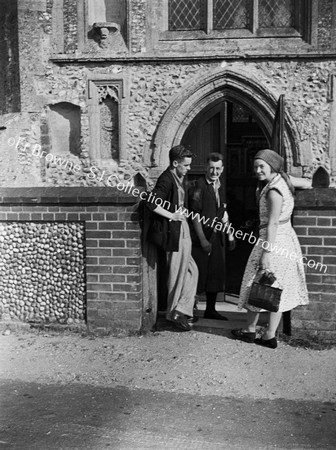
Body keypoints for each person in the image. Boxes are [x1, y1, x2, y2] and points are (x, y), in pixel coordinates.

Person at [232, 149, 311, 348]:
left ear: (272, 167)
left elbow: (273, 223)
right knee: (276, 287)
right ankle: (269, 335)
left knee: (255, 282)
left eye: (262, 166)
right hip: (287, 240)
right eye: (255, 167)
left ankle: (250, 330)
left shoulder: (274, 191)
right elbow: (308, 182)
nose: (258, 170)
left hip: (273, 241)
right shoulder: (284, 180)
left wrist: (267, 252)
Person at [146, 145, 198, 331]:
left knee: (192, 271)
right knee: (177, 274)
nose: (189, 168)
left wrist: (179, 211)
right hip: (173, 232)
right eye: (186, 165)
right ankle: (175, 315)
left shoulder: (177, 177)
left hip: (181, 229)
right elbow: (151, 203)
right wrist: (172, 215)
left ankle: (183, 309)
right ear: (175, 163)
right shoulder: (166, 179)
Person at [189, 153, 235, 320]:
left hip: (216, 237)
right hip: (200, 239)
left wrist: (230, 234)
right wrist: (202, 240)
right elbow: (195, 215)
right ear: (205, 168)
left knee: (214, 274)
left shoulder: (219, 186)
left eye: (218, 168)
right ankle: (189, 312)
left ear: (222, 169)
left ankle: (210, 310)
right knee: (197, 275)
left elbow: (222, 213)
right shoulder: (199, 187)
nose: (214, 172)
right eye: (211, 168)